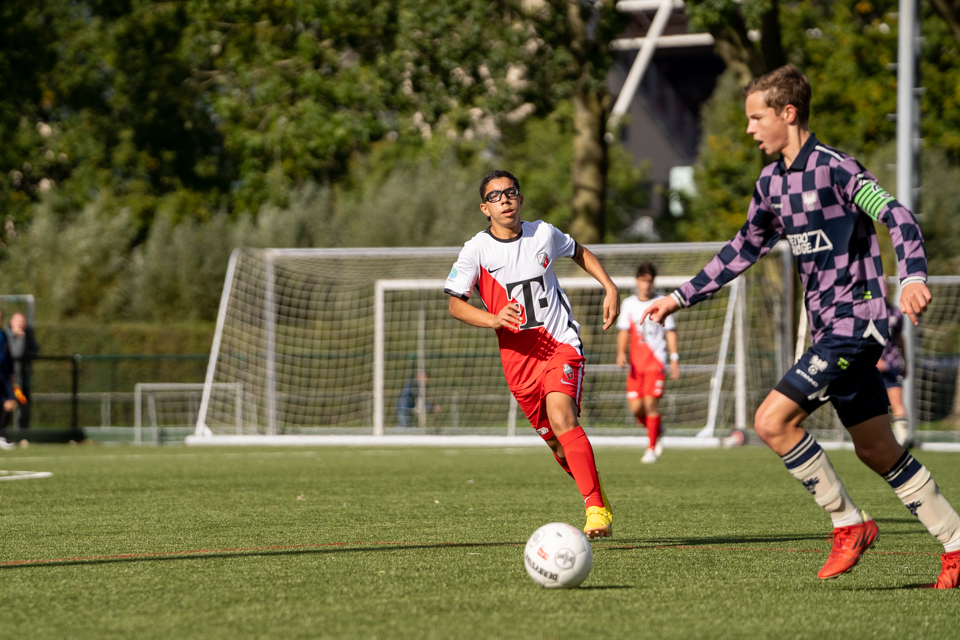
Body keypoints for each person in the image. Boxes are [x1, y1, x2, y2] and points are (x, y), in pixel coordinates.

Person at [640, 65, 960, 588]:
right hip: (828, 333)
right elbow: (742, 248)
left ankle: (847, 524)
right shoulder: (770, 184)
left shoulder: (836, 169)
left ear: (787, 114)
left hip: (856, 326)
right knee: (876, 448)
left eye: (755, 117)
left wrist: (913, 276)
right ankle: (955, 541)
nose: (749, 129)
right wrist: (678, 297)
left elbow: (897, 215)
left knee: (771, 421)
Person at [445, 170, 619, 539]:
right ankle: (599, 498)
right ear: (484, 208)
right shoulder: (476, 249)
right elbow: (455, 306)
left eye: (511, 193)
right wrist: (494, 319)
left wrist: (609, 286)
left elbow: (579, 251)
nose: (505, 199)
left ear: (521, 200)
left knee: (562, 416)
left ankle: (592, 508)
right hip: (519, 364)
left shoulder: (543, 233)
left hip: (559, 344)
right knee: (555, 441)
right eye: (496, 196)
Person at [616, 262, 679, 463]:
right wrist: (620, 353)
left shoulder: (662, 302)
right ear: (637, 281)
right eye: (643, 281)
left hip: (656, 362)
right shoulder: (628, 304)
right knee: (636, 409)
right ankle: (657, 429)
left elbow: (670, 332)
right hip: (636, 365)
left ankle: (651, 449)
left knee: (651, 403)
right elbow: (624, 331)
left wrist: (674, 359)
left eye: (649, 281)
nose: (646, 285)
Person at [876, 302, 911, 449]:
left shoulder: (895, 313)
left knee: (897, 400)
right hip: (868, 366)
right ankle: (878, 439)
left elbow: (900, 338)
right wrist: (873, 360)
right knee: (874, 406)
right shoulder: (862, 310)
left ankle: (904, 440)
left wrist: (906, 361)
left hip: (892, 365)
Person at [4, 312, 39, 431]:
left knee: (23, 401)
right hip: (9, 379)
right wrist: (19, 337)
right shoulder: (5, 334)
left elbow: (35, 349)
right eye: (18, 322)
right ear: (12, 322)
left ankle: (22, 430)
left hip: (22, 378)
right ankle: (3, 430)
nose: (20, 325)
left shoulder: (27, 333)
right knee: (9, 402)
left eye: (22, 322)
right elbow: (15, 353)